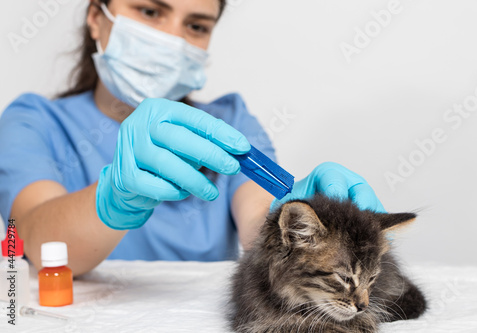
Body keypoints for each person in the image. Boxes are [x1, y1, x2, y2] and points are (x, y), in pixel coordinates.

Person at [0, 0, 384, 277]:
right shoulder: (33, 121)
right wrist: (112, 199)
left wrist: (299, 223)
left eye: (196, 26)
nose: (172, 39)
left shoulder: (230, 123)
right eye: (150, 11)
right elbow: (33, 236)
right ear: (96, 18)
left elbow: (257, 221)